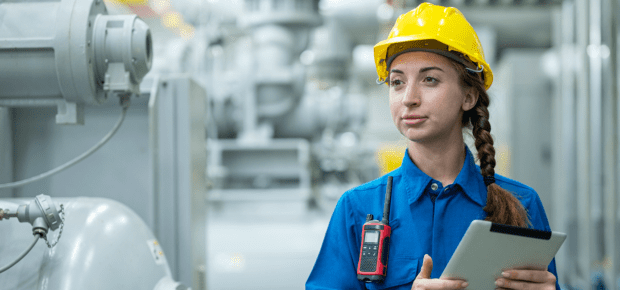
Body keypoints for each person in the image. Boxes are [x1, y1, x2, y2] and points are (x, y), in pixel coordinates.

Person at [306, 3, 560, 290]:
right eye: (397, 82)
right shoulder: (358, 208)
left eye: (429, 79)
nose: (409, 98)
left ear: (469, 96)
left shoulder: (521, 205)